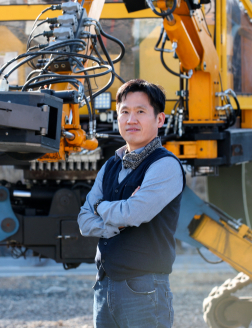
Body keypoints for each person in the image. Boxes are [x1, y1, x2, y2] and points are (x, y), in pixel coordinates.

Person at [78, 79, 185, 328]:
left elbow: (132, 214)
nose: (131, 119)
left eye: (140, 111)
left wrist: (101, 208)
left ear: (160, 119)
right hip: (104, 286)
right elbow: (84, 221)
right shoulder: (111, 164)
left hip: (144, 289)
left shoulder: (165, 165)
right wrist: (117, 219)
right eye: (124, 112)